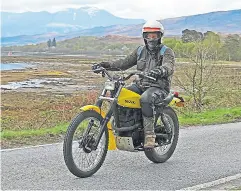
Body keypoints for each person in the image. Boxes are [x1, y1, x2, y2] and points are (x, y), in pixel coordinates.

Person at [92, 20, 175, 149]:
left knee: (145, 99)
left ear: (160, 36)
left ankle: (149, 135)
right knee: (121, 95)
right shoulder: (140, 51)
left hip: (159, 87)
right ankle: (125, 128)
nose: (151, 38)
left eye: (154, 35)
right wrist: (105, 65)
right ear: (144, 36)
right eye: (148, 35)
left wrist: (160, 70)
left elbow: (168, 66)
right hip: (140, 85)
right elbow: (123, 63)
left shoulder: (166, 51)